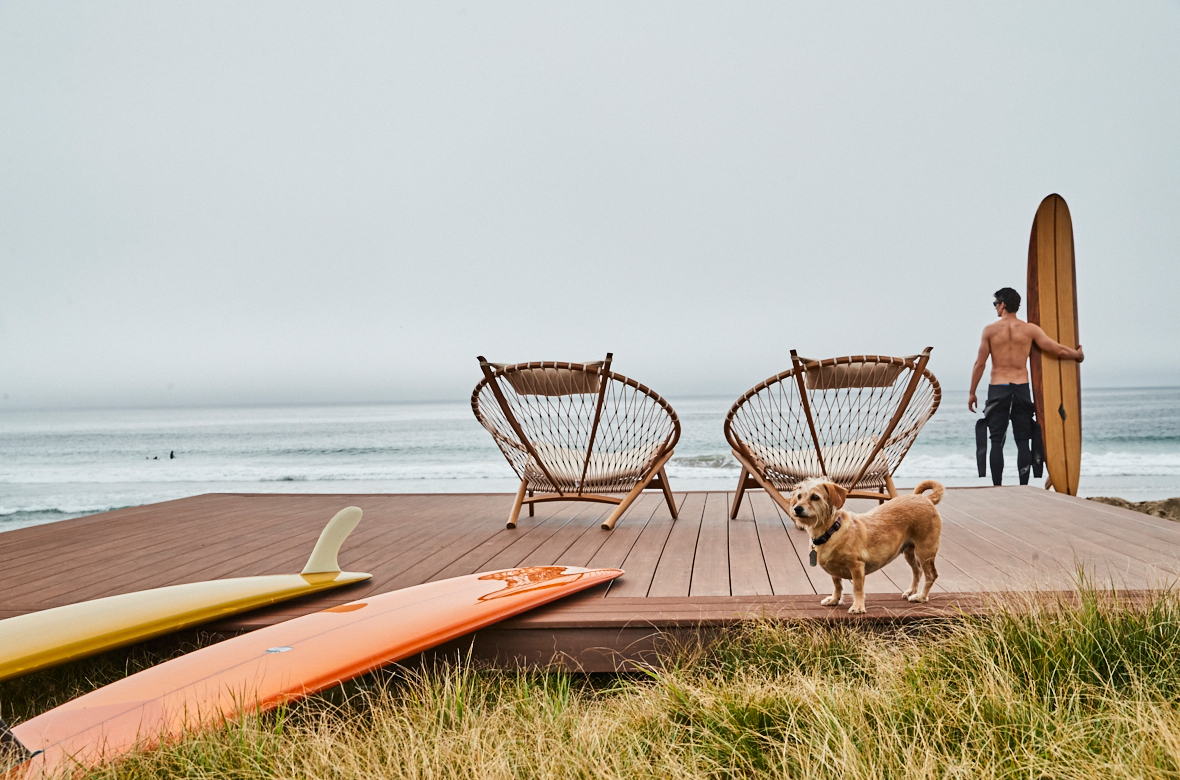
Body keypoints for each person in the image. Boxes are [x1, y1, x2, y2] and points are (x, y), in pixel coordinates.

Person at [968, 287, 1084, 485]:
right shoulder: (1030, 330)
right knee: (1023, 440)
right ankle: (1024, 486)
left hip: (998, 388)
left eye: (995, 303)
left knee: (996, 440)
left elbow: (980, 363)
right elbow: (1055, 349)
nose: (995, 307)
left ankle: (997, 486)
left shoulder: (990, 330)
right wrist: (1077, 355)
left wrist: (972, 392)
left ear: (1003, 304)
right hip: (1021, 388)